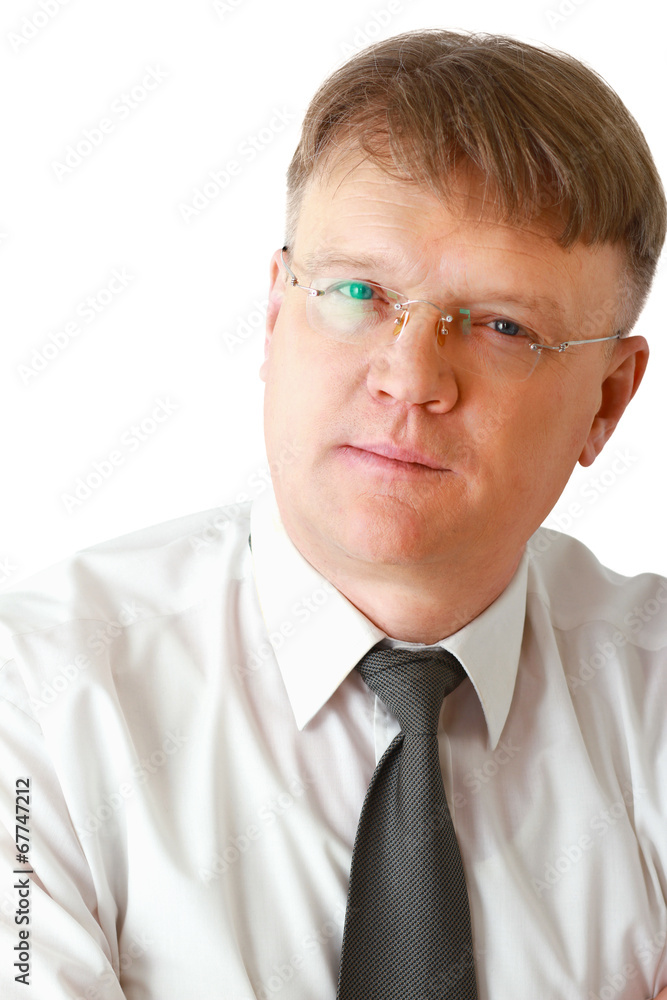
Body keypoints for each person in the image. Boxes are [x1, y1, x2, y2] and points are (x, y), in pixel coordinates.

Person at [1, 27, 666, 1000]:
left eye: (501, 327)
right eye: (358, 290)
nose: (410, 376)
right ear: (275, 314)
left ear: (605, 400)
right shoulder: (40, 702)